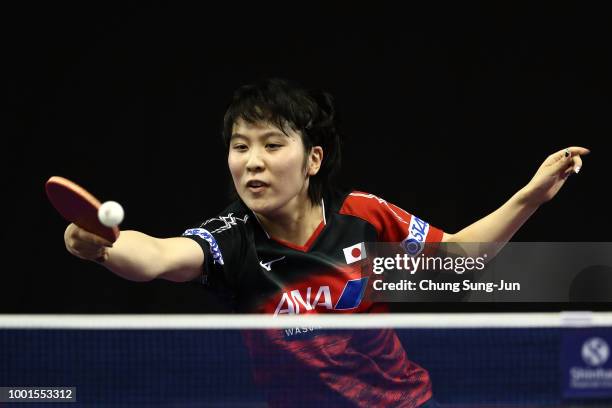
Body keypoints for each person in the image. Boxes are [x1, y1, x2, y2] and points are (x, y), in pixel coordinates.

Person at [63, 78, 589, 407]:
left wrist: (531, 197)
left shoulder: (363, 214)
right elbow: (156, 255)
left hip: (402, 404)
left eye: (272, 145)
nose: (252, 162)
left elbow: (457, 258)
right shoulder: (232, 240)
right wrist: (105, 245)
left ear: (312, 159)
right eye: (240, 146)